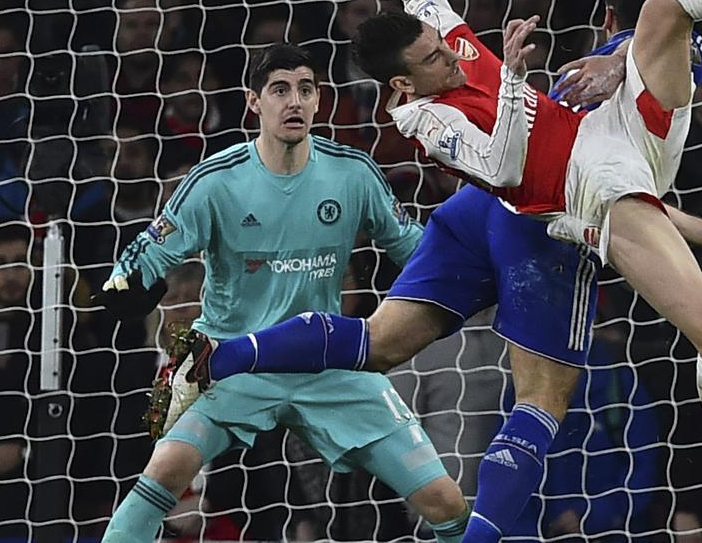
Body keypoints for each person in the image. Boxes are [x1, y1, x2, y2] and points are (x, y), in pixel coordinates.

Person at [160, 0, 702, 541]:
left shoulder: (449, 38)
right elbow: (503, 167)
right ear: (401, 88)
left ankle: (216, 356)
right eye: (433, 60)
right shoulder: (424, 120)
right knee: (580, 385)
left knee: (379, 346)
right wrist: (512, 79)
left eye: (441, 42)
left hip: (531, 202)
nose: (452, 53)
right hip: (546, 205)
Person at [92, 43, 470, 542]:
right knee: (163, 472)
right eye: (280, 90)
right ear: (254, 102)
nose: (294, 101)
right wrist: (129, 280)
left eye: (305, 90)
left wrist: (475, 259)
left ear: (317, 101)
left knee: (446, 503)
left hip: (328, 367)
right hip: (230, 363)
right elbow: (151, 255)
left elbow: (415, 250)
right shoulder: (216, 181)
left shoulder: (352, 174)